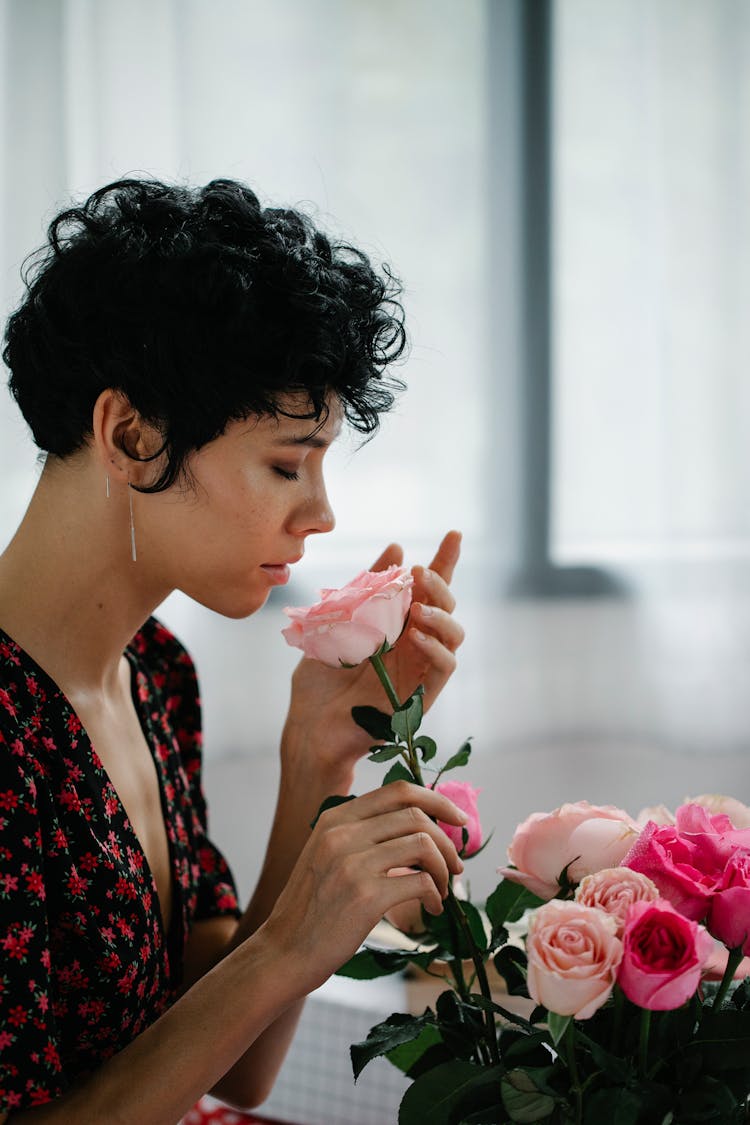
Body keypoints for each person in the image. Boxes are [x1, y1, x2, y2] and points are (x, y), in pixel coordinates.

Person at [0, 178, 466, 1123]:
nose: (323, 512)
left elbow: (237, 1069)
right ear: (130, 435)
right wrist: (292, 937)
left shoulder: (157, 671)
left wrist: (318, 752)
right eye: (287, 463)